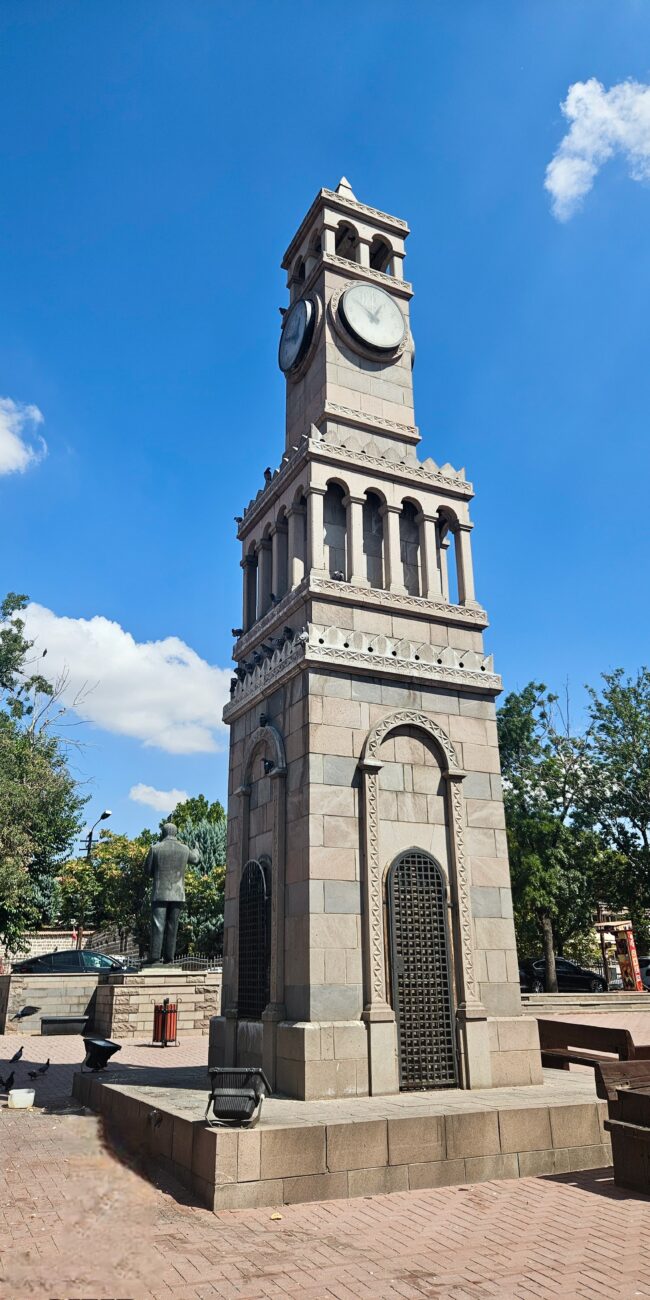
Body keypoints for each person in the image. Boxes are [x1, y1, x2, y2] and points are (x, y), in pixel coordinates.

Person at [145, 823, 199, 964]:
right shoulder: (184, 849)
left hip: (160, 893)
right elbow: (196, 859)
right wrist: (197, 849)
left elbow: (147, 871)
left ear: (163, 833)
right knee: (172, 926)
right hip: (178, 894)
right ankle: (169, 958)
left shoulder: (155, 848)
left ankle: (155, 957)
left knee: (158, 925)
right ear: (175, 833)